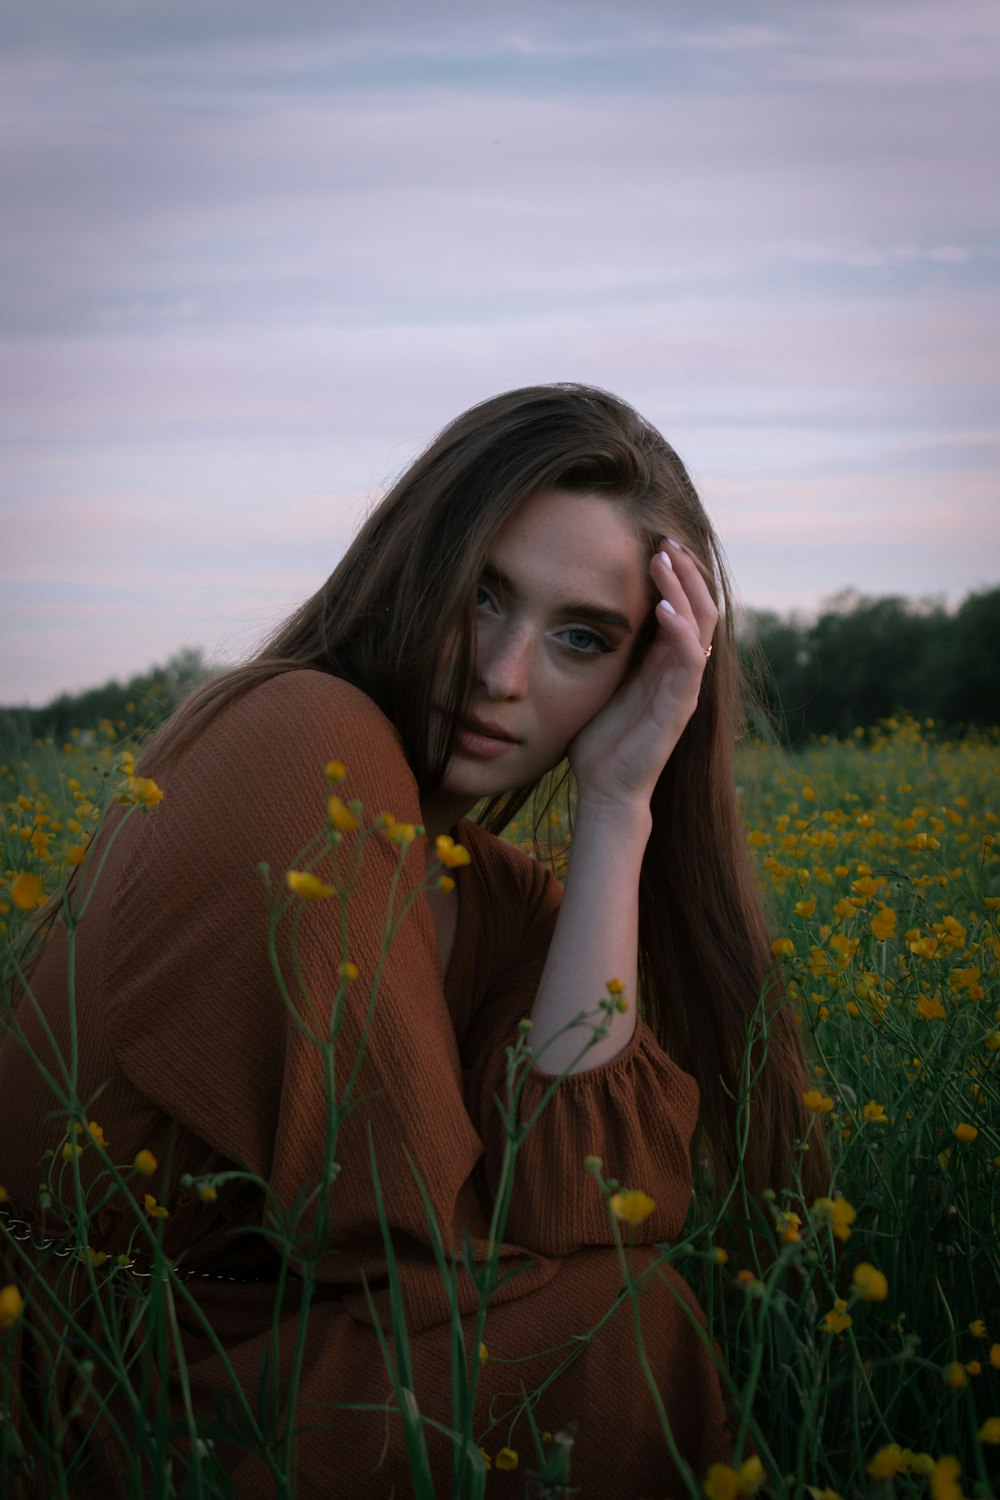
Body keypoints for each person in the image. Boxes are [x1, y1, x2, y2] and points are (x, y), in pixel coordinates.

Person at [1, 384, 827, 1497]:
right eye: (484, 596)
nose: (502, 673)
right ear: (411, 562)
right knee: (611, 1325)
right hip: (113, 1381)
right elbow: (419, 1236)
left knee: (614, 1307)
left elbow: (581, 1200)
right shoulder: (297, 733)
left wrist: (619, 810)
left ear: (630, 684)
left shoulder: (486, 890)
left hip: (272, 1359)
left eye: (581, 640)